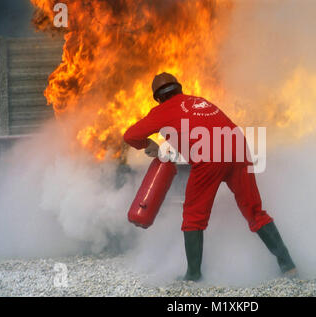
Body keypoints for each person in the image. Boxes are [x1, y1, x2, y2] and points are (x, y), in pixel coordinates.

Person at [124, 72, 297, 281]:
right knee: (254, 210)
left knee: (193, 216)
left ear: (158, 98)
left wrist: (148, 144)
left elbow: (130, 135)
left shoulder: (161, 111)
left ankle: (193, 275)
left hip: (209, 158)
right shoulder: (200, 101)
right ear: (179, 89)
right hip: (239, 149)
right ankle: (288, 266)